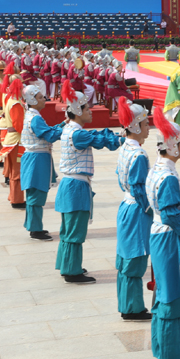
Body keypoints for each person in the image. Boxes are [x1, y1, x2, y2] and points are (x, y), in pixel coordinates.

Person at [55, 80, 123, 284]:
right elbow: (99, 140)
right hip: (76, 187)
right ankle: (72, 271)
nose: (90, 111)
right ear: (77, 111)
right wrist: (120, 139)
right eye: (87, 108)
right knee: (75, 230)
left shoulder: (70, 129)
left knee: (69, 229)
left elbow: (94, 135)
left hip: (70, 185)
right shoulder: (77, 134)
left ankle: (68, 265)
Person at [146, 107, 180, 359]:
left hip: (162, 235)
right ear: (173, 147)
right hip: (168, 238)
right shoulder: (168, 176)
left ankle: (167, 348)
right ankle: (170, 354)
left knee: (165, 295)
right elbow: (170, 215)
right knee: (171, 297)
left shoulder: (158, 169)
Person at [115, 98, 153, 320]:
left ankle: (127, 304)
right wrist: (151, 208)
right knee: (135, 259)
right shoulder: (139, 154)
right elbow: (139, 188)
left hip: (126, 205)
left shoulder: (125, 148)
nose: (148, 127)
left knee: (126, 257)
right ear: (136, 127)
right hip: (137, 210)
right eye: (146, 124)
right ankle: (132, 308)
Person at [20, 84, 63, 240]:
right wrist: (66, 129)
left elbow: (48, 131)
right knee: (36, 195)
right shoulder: (35, 118)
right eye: (40, 97)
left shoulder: (33, 115)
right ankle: (35, 229)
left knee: (35, 194)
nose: (44, 99)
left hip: (36, 158)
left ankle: (34, 226)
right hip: (36, 159)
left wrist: (62, 125)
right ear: (32, 100)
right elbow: (49, 135)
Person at [0, 74, 26, 209]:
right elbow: (19, 125)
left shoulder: (10, 100)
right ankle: (17, 199)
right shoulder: (16, 103)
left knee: (13, 172)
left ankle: (13, 196)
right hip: (16, 140)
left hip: (11, 139)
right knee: (17, 172)